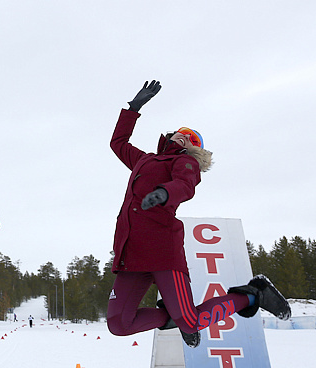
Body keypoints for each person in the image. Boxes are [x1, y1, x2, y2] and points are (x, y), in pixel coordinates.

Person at [105, 80, 291, 348]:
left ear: (194, 149)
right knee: (119, 325)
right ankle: (172, 316)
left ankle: (252, 295)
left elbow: (185, 185)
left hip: (162, 252)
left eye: (192, 139)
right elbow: (118, 142)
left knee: (191, 322)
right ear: (169, 136)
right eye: (181, 132)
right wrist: (133, 109)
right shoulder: (144, 160)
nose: (185, 136)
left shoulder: (184, 161)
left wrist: (165, 193)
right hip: (131, 254)